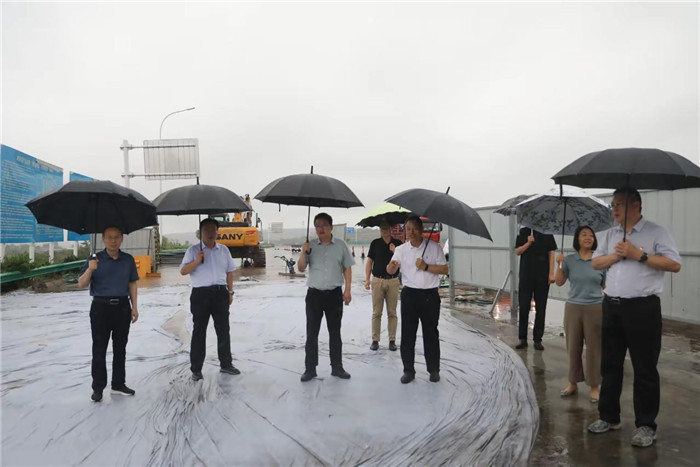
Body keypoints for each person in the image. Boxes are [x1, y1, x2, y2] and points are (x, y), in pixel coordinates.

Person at [587, 187, 681, 448]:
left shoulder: (657, 232)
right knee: (610, 365)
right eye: (613, 205)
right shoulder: (611, 234)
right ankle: (609, 417)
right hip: (612, 306)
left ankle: (646, 425)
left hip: (643, 309)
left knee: (644, 368)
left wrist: (639, 255)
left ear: (636, 205)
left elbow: (674, 264)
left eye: (619, 204)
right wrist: (616, 255)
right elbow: (595, 262)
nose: (614, 209)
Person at [78, 225, 139, 402]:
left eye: (116, 237)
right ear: (103, 239)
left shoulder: (128, 260)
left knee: (120, 348)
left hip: (122, 307)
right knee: (99, 348)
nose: (113, 241)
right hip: (100, 308)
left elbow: (132, 283)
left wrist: (134, 306)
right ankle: (98, 388)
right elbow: (81, 283)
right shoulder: (94, 259)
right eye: (109, 237)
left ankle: (118, 383)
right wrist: (90, 269)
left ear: (122, 239)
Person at [387, 216, 448, 384]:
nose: (411, 232)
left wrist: (426, 266)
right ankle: (408, 370)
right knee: (408, 334)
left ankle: (433, 370)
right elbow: (391, 269)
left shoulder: (434, 247)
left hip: (430, 296)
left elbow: (445, 269)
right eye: (408, 229)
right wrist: (391, 267)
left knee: (431, 333)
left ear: (421, 229)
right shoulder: (401, 249)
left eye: (414, 228)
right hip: (410, 295)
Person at [297, 212, 354, 382]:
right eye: (317, 226)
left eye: (324, 225)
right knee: (311, 333)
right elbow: (301, 268)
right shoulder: (310, 246)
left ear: (331, 227)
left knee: (335, 333)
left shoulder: (341, 245)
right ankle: (310, 369)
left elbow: (347, 268)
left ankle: (337, 367)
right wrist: (304, 252)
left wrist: (348, 290)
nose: (320, 228)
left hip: (334, 295)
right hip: (314, 295)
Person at [180, 218, 239, 381]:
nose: (210, 233)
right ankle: (196, 369)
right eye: (206, 230)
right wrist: (197, 261)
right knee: (199, 331)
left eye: (213, 230)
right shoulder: (193, 250)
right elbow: (183, 271)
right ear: (200, 233)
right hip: (200, 295)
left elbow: (229, 272)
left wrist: (230, 292)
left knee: (223, 330)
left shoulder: (224, 250)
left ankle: (226, 364)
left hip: (220, 293)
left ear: (217, 232)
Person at [555, 226, 605, 403]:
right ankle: (573, 383)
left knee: (594, 348)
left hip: (595, 308)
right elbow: (559, 282)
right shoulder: (569, 260)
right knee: (573, 346)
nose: (588, 237)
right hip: (573, 308)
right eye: (584, 235)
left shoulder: (600, 260)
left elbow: (606, 286)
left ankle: (594, 386)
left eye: (591, 235)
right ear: (577, 239)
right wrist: (559, 264)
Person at [514, 227, 557, 350]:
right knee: (524, 306)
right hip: (526, 275)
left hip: (542, 276)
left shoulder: (547, 232)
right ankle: (522, 338)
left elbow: (551, 252)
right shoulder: (523, 232)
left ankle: (538, 339)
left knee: (541, 307)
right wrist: (528, 243)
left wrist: (551, 273)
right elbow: (517, 251)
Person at [365, 220, 403, 351]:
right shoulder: (375, 243)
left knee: (392, 312)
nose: (384, 230)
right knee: (376, 312)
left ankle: (392, 340)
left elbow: (403, 261)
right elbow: (369, 262)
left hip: (393, 281)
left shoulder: (398, 244)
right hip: (377, 281)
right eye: (382, 228)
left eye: (386, 228)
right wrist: (367, 280)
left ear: (391, 229)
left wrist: (395, 251)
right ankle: (375, 340)